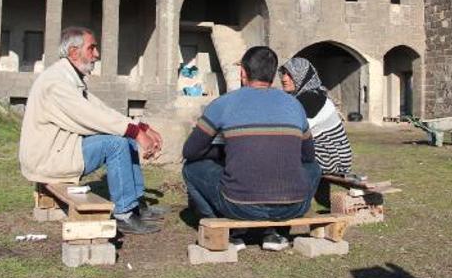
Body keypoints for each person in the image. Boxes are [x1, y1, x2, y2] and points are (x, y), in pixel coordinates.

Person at [18, 26, 167, 235]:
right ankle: (124, 214)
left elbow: (101, 109)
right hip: (49, 159)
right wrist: (135, 132)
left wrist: (141, 128)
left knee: (127, 137)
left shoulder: (69, 77)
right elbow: (91, 116)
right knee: (116, 144)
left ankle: (137, 204)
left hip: (62, 149)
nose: (96, 54)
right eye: (92, 48)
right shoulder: (56, 82)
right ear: (73, 52)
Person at [182, 46, 321, 251]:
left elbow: (190, 151)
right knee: (315, 169)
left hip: (238, 205)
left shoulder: (223, 103)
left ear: (242, 73)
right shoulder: (294, 105)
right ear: (273, 76)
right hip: (293, 206)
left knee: (190, 169)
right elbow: (309, 156)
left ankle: (227, 230)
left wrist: (221, 152)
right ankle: (274, 234)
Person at [278, 57, 354, 177]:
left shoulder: (312, 98)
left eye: (290, 75)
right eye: (284, 74)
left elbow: (294, 133)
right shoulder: (305, 96)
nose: (284, 78)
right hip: (327, 155)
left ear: (302, 77)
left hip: (333, 159)